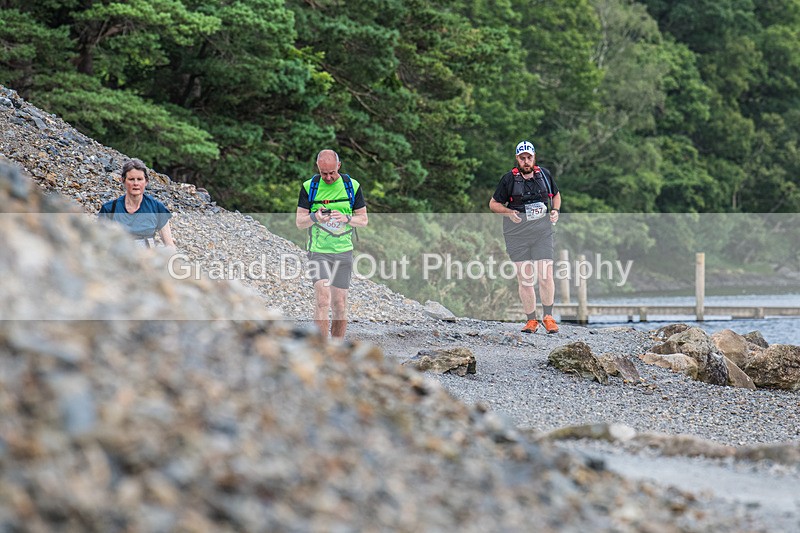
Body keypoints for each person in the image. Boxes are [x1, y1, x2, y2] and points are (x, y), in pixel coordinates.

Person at [489, 140, 561, 333]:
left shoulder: (544, 175)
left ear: (534, 157)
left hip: (542, 233)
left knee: (545, 275)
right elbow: (493, 204)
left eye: (529, 157)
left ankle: (548, 317)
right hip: (516, 236)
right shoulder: (508, 180)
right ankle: (531, 320)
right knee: (525, 278)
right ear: (517, 159)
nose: (526, 161)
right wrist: (508, 213)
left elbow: (556, 195)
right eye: (522, 158)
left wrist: (555, 210)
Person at [296, 149, 368, 339]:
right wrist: (315, 217)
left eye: (331, 173)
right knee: (322, 301)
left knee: (340, 305)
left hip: (343, 252)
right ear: (318, 169)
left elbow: (363, 220)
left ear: (339, 165)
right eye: (323, 173)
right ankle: (320, 351)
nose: (328, 177)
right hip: (318, 252)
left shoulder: (351, 186)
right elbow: (299, 222)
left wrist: (346, 218)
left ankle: (337, 351)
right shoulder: (309, 187)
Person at [99, 158, 175, 249]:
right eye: (131, 179)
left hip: (147, 261)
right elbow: (98, 245)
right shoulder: (109, 209)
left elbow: (170, 246)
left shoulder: (157, 208)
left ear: (146, 181)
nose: (136, 183)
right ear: (123, 180)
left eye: (139, 179)